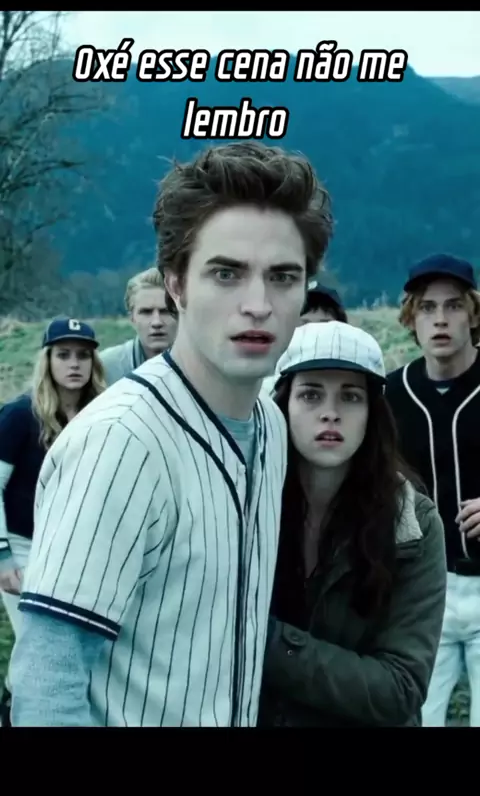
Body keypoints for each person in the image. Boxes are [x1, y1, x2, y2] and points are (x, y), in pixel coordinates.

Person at [9, 140, 334, 727]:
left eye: (283, 276)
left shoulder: (270, 423)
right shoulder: (121, 442)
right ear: (176, 286)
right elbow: (46, 685)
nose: (258, 304)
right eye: (226, 273)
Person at [258, 320, 447, 727]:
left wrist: (265, 639)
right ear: (283, 404)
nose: (330, 413)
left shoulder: (412, 524)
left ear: (372, 413)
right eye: (311, 394)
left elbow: (400, 688)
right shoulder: (246, 505)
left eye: (351, 396)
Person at [385, 253, 480, 726]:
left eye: (454, 306)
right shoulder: (388, 395)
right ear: (411, 318)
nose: (440, 319)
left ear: (473, 314)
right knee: (416, 718)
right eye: (427, 307)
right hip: (422, 592)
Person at [0, 317, 105, 727]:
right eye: (63, 355)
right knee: (36, 643)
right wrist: (3, 556)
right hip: (24, 545)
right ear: (48, 360)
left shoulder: (103, 412)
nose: (74, 364)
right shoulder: (19, 415)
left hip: (76, 546)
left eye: (82, 355)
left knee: (79, 645)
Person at [100, 267, 177, 385]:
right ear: (132, 318)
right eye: (146, 312)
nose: (156, 322)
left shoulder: (201, 365)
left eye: (165, 311)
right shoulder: (106, 367)